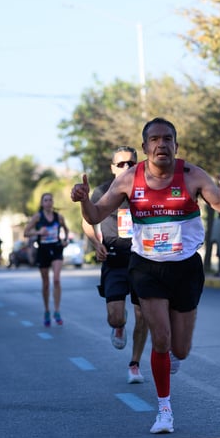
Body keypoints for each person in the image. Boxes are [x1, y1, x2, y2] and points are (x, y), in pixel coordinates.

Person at [71, 117, 220, 434]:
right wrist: (83, 201)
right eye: (155, 139)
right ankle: (164, 410)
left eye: (168, 139)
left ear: (175, 145)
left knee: (181, 349)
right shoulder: (128, 180)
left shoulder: (192, 175)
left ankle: (173, 357)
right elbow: (94, 215)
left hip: (185, 267)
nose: (161, 144)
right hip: (146, 266)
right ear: (146, 146)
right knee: (160, 339)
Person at [82, 146, 148, 384]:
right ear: (112, 168)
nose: (126, 168)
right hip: (114, 259)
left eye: (130, 163)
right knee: (115, 317)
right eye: (120, 164)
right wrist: (95, 242)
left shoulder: (147, 189)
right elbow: (87, 220)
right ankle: (118, 326)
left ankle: (135, 364)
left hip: (143, 260)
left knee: (144, 315)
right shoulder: (102, 191)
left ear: (138, 164)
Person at [24, 193, 70, 327]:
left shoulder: (58, 217)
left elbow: (66, 229)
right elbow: (26, 232)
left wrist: (65, 241)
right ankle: (46, 310)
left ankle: (57, 311)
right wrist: (38, 233)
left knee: (56, 279)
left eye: (50, 200)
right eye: (46, 200)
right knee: (45, 283)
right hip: (43, 250)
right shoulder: (38, 217)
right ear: (42, 203)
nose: (48, 202)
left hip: (56, 249)